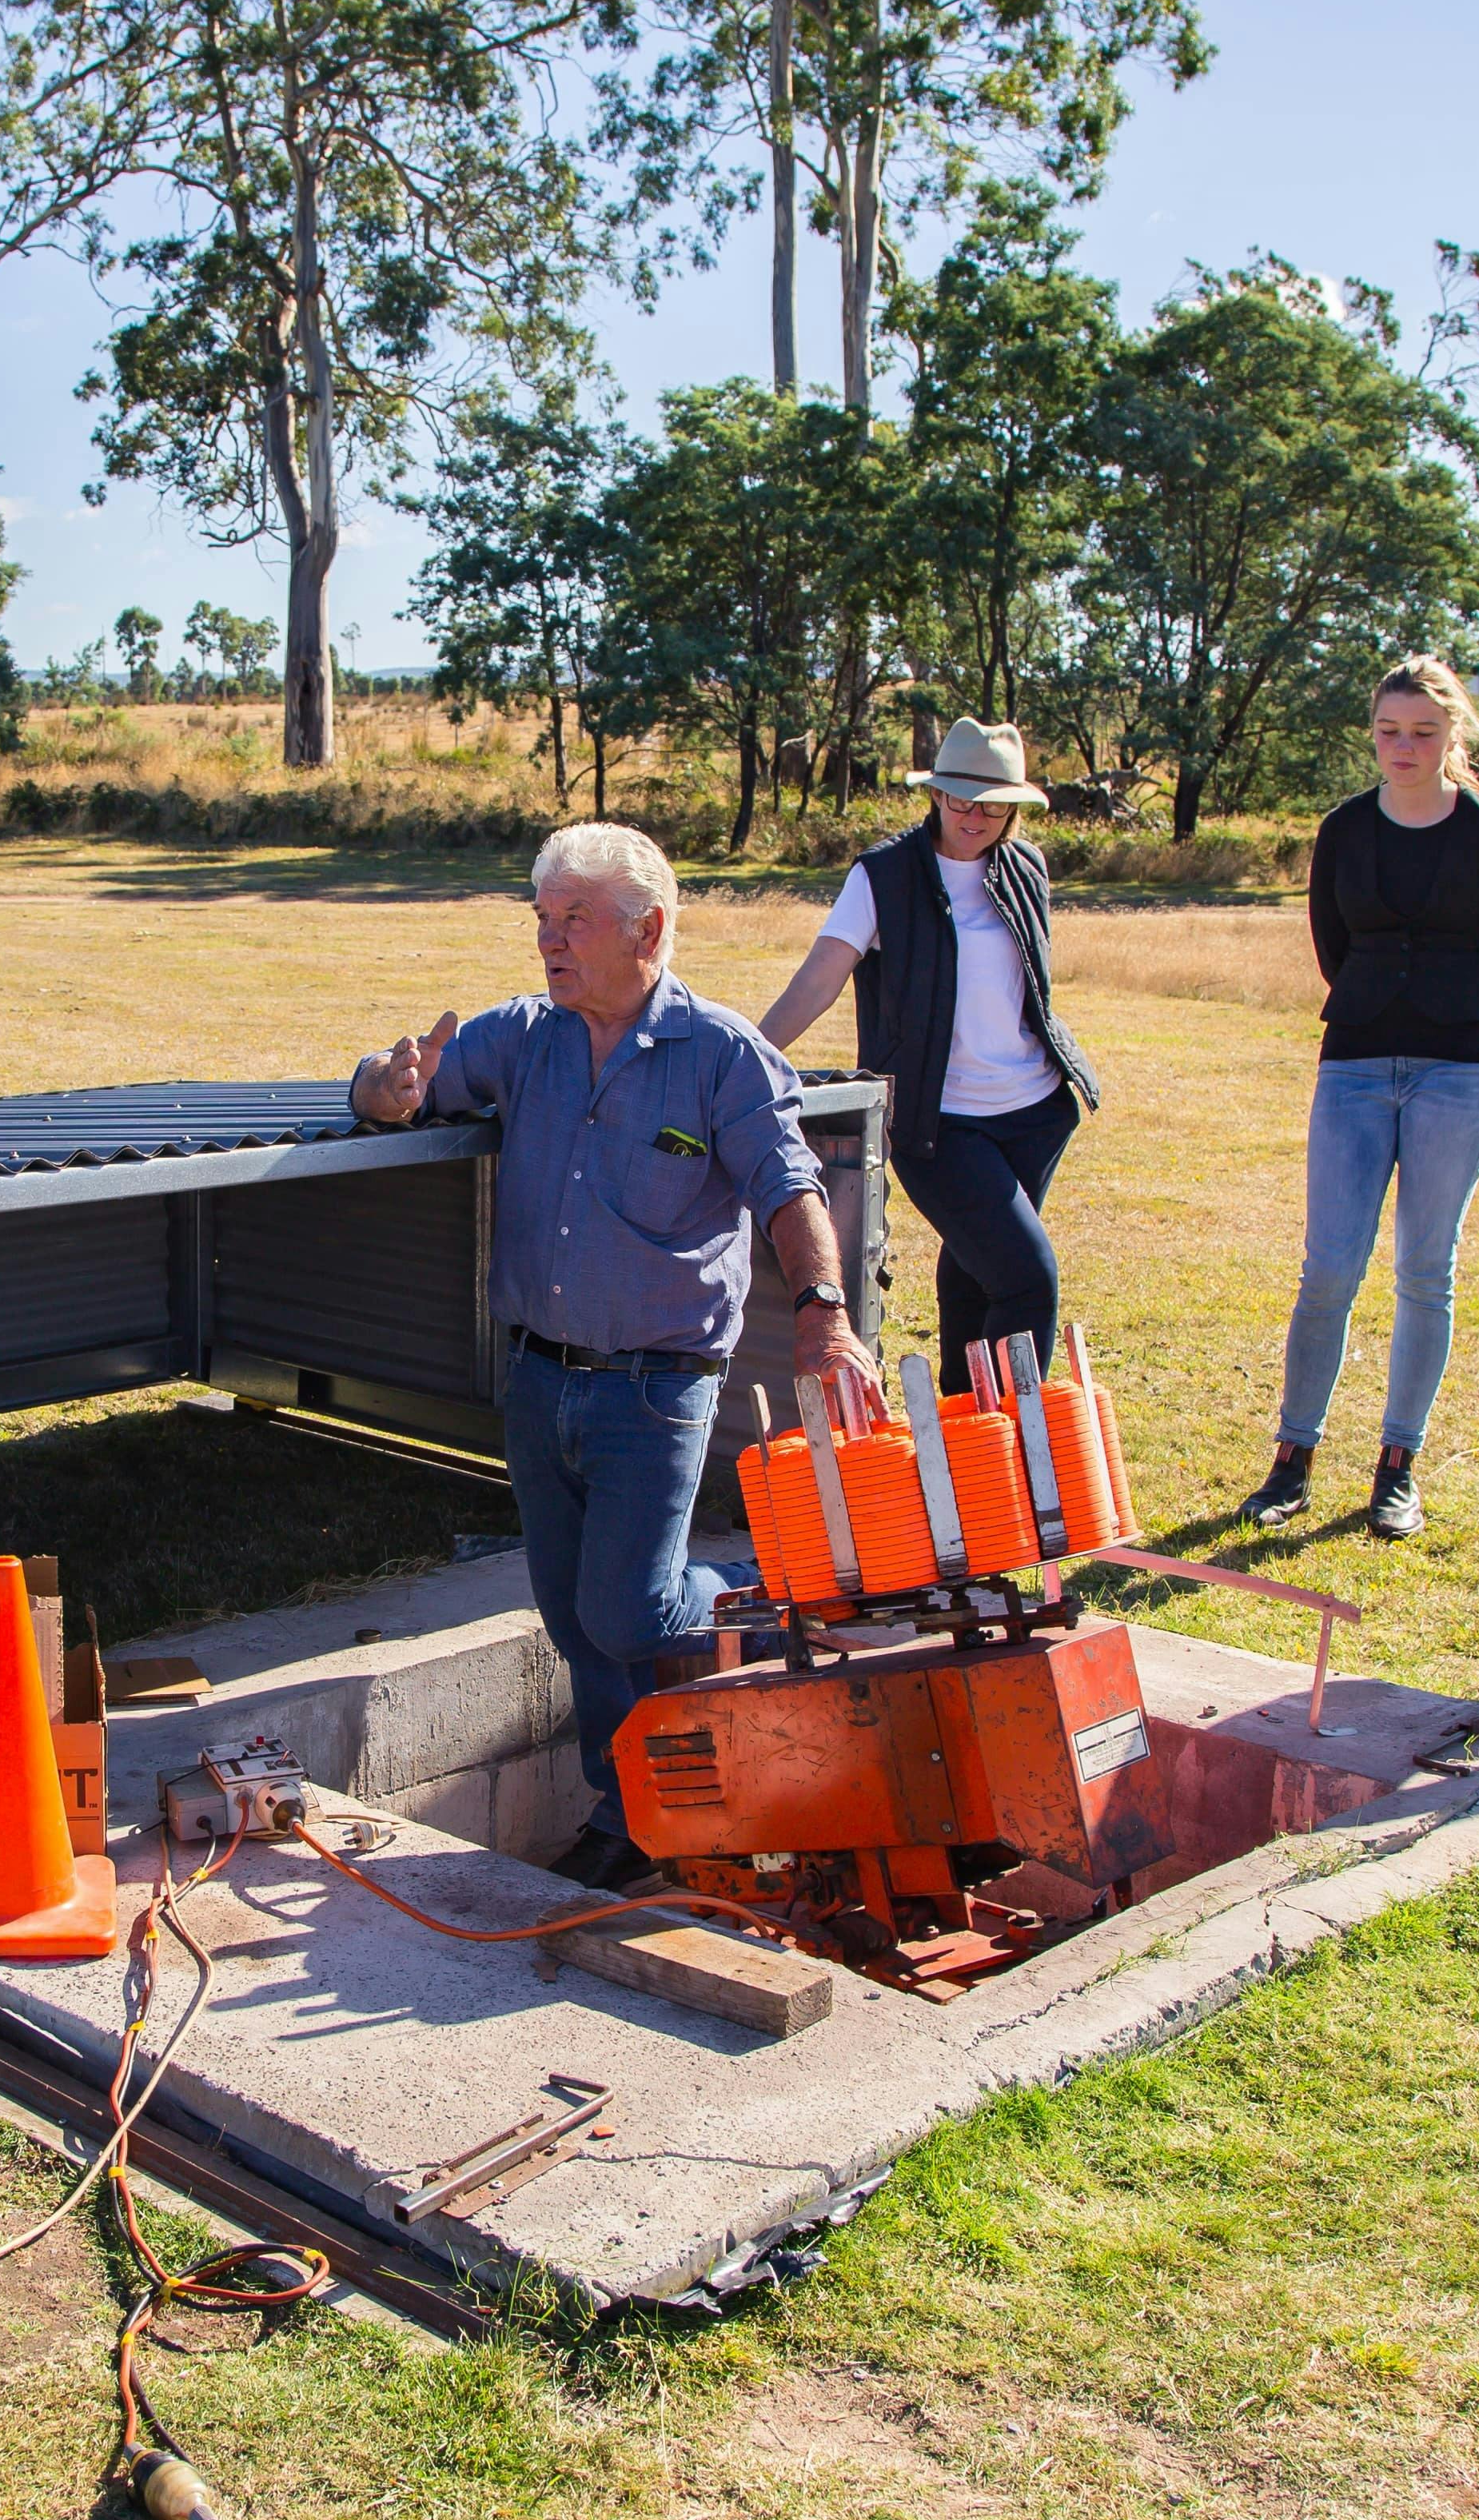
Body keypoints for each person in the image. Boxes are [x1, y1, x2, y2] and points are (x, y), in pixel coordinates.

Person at [348, 823, 887, 1890]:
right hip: (539, 1379)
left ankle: (756, 1588)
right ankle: (628, 1809)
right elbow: (390, 1083)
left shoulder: (726, 1057)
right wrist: (387, 1087)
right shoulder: (522, 1036)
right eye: (543, 921)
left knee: (628, 1611)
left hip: (656, 1387)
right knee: (574, 1617)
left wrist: (825, 1310)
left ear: (648, 930)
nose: (551, 942)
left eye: (575, 922)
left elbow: (789, 1192)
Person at [1238, 657, 1479, 1541]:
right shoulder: (1343, 830)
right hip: (1357, 1066)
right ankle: (1293, 1460)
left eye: (1422, 731)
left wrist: (1460, 1031)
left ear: (1453, 735)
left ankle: (1397, 1467)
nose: (1404, 747)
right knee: (1329, 1266)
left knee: (1425, 1270)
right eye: (1388, 731)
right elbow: (1334, 946)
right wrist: (1385, 1009)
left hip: (1461, 1073)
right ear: (1371, 733)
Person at [755, 716, 1102, 1392]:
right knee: (1028, 1281)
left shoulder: (1026, 868)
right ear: (936, 795)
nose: (974, 816)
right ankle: (1011, 1446)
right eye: (959, 798)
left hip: (1035, 1113)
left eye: (994, 803)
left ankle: (961, 1438)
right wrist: (746, 1057)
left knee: (977, 1270)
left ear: (1015, 808)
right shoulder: (883, 876)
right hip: (939, 1124)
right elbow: (820, 978)